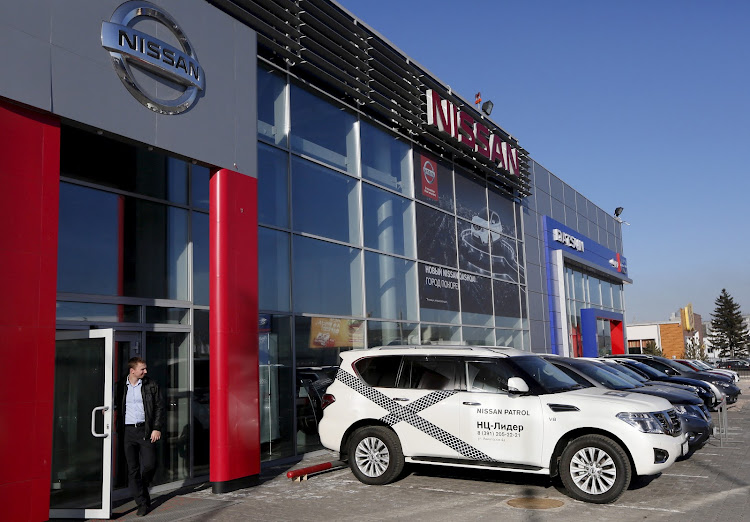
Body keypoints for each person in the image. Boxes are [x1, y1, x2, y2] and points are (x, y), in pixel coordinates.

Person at [117, 357, 165, 517]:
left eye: (145, 368)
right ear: (132, 371)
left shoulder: (150, 384)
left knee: (150, 464)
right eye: (142, 369)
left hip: (145, 430)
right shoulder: (120, 386)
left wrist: (156, 428)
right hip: (127, 432)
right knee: (133, 469)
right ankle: (142, 503)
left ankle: (142, 490)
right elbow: (115, 403)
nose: (146, 371)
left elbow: (159, 406)